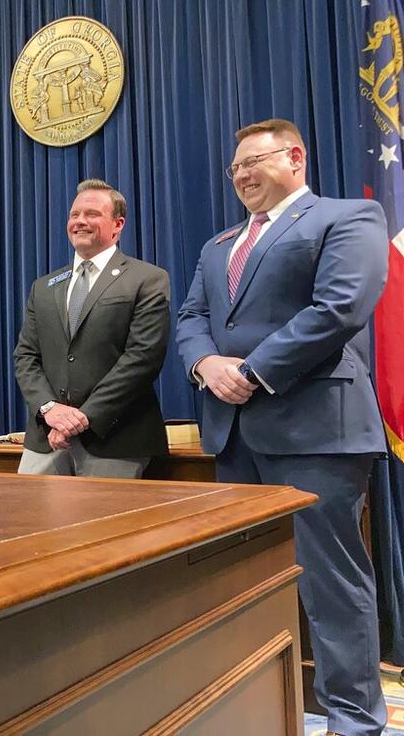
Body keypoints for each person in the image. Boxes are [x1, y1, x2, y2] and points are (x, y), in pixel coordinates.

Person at [176, 118, 388, 736]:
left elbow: (340, 306)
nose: (242, 175)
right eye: (234, 167)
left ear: (295, 156)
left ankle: (353, 721)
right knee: (241, 583)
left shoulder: (345, 217)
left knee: (331, 584)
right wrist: (204, 363)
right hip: (233, 435)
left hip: (314, 428)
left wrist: (253, 370)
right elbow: (192, 316)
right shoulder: (218, 246)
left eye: (253, 161)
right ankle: (256, 711)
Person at [13, 178, 170, 478]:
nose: (80, 221)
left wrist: (83, 418)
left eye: (92, 214)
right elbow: (26, 357)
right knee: (30, 523)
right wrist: (51, 410)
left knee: (105, 526)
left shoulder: (147, 279)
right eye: (74, 215)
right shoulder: (43, 287)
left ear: (118, 224)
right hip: (46, 440)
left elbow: (142, 358)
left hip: (115, 440)